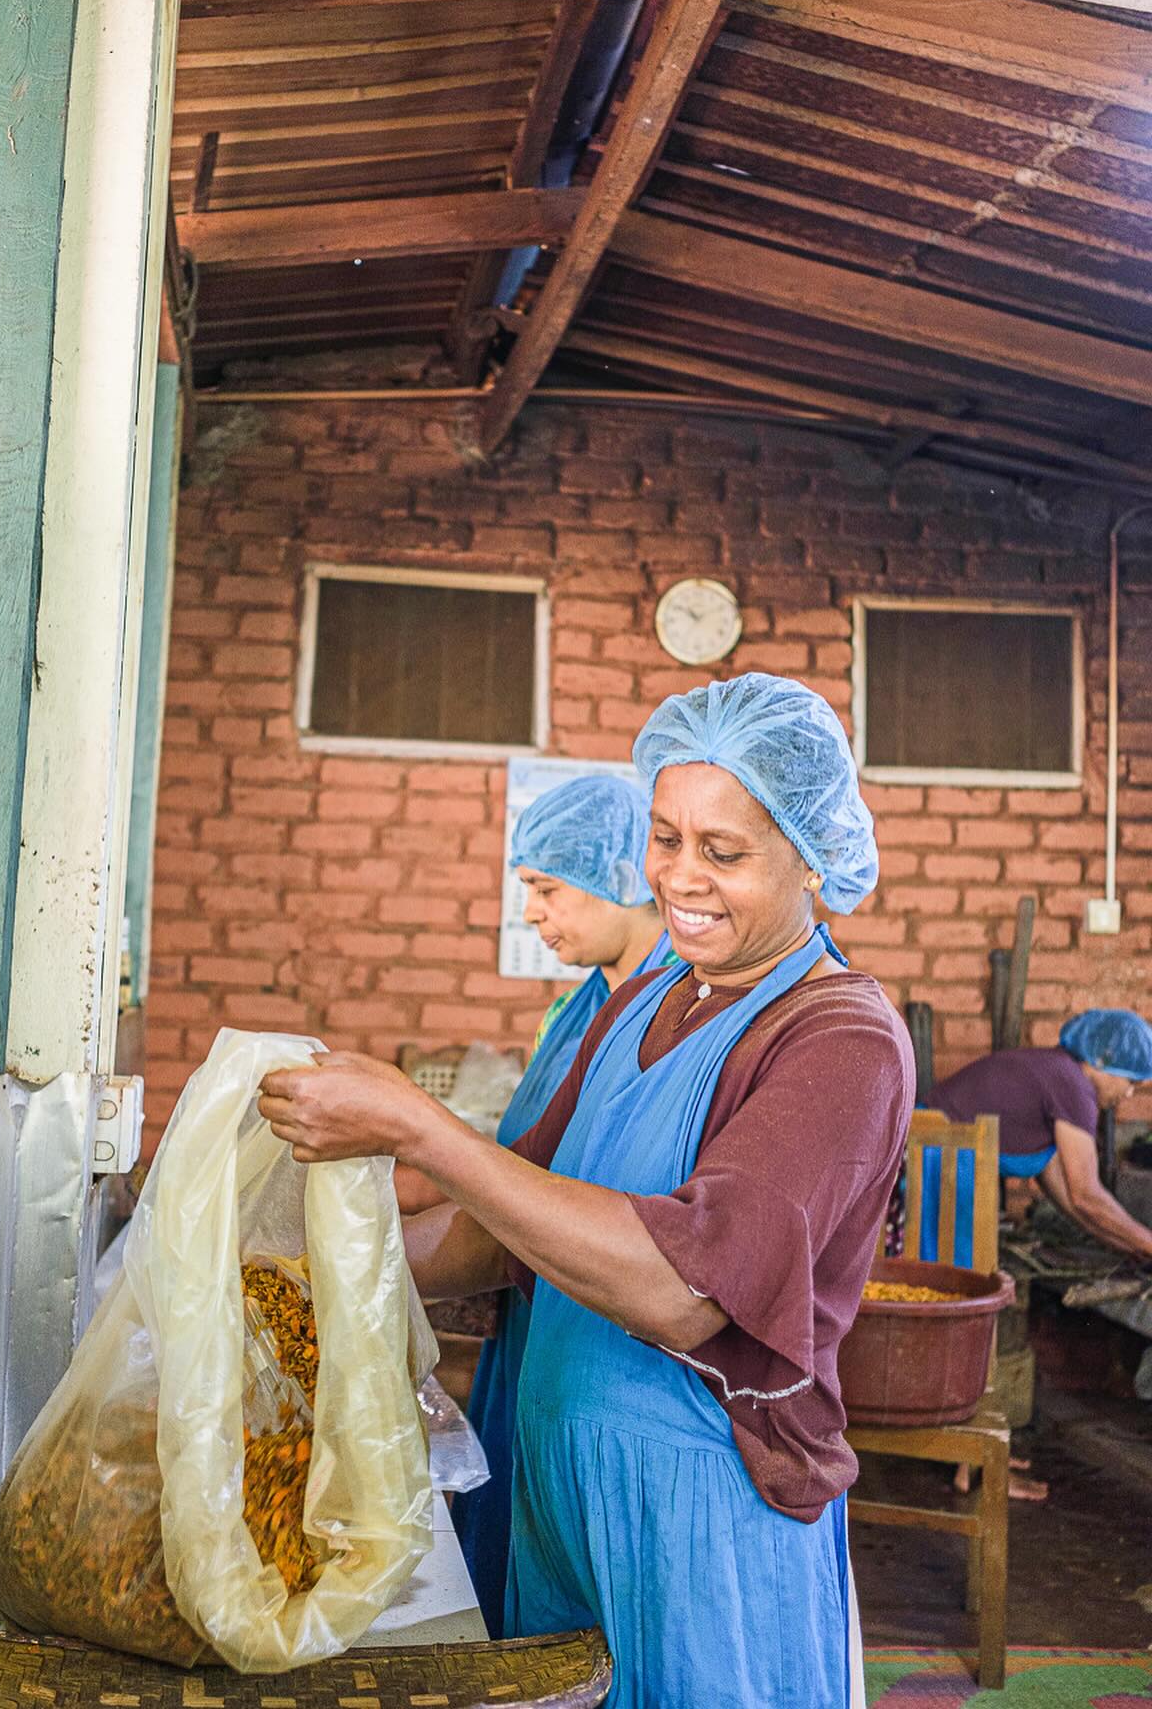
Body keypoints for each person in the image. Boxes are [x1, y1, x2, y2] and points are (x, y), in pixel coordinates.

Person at [260, 674, 913, 1708]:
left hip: (703, 1507)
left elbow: (680, 1292)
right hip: (558, 1477)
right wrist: (303, 1273)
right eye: (665, 839)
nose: (681, 879)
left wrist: (418, 1124)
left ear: (810, 858)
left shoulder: (839, 1040)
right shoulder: (650, 999)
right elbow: (506, 1225)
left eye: (724, 852)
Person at [404, 773, 673, 1637]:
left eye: (547, 889)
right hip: (535, 1318)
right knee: (515, 1559)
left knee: (585, 1595)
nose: (534, 914)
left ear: (622, 874)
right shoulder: (581, 1005)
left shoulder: (675, 1010)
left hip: (607, 1334)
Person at [929, 1009, 1152, 1265]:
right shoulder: (1074, 1089)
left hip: (938, 1152)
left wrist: (1133, 1249)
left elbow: (1073, 1204)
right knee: (946, 1280)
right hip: (935, 1155)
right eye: (1130, 1081)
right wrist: (1147, 1242)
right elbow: (1086, 1197)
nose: (1129, 1095)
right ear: (1102, 1060)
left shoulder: (1058, 1073)